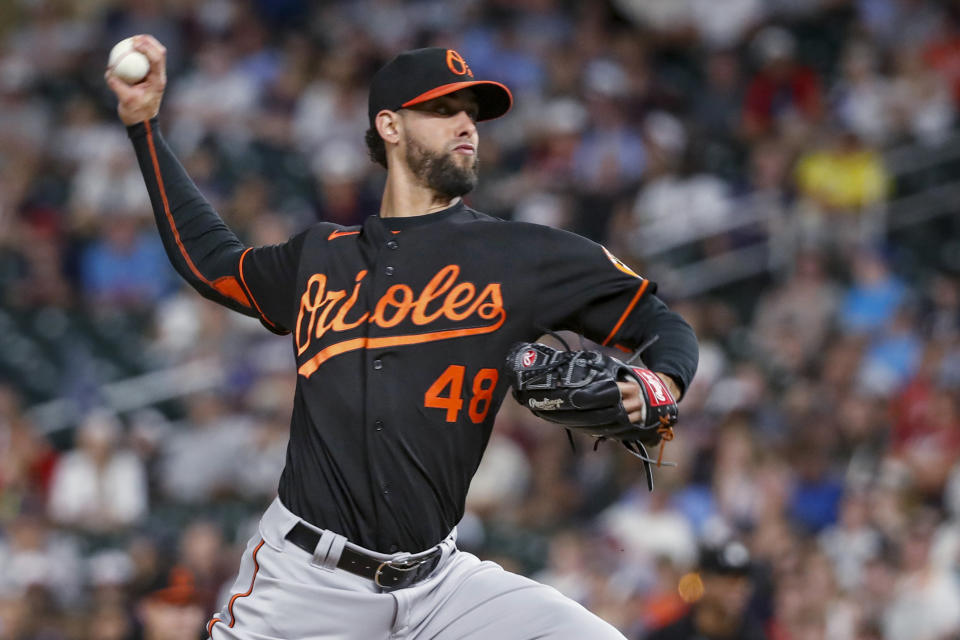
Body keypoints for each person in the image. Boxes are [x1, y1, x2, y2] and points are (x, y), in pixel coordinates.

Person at [105, 35, 698, 640]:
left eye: (474, 113)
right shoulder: (320, 257)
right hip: (307, 583)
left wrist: (659, 380)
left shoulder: (522, 255)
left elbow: (657, 320)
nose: (467, 124)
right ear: (389, 125)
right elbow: (212, 262)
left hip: (442, 585)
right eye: (443, 110)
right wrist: (143, 126)